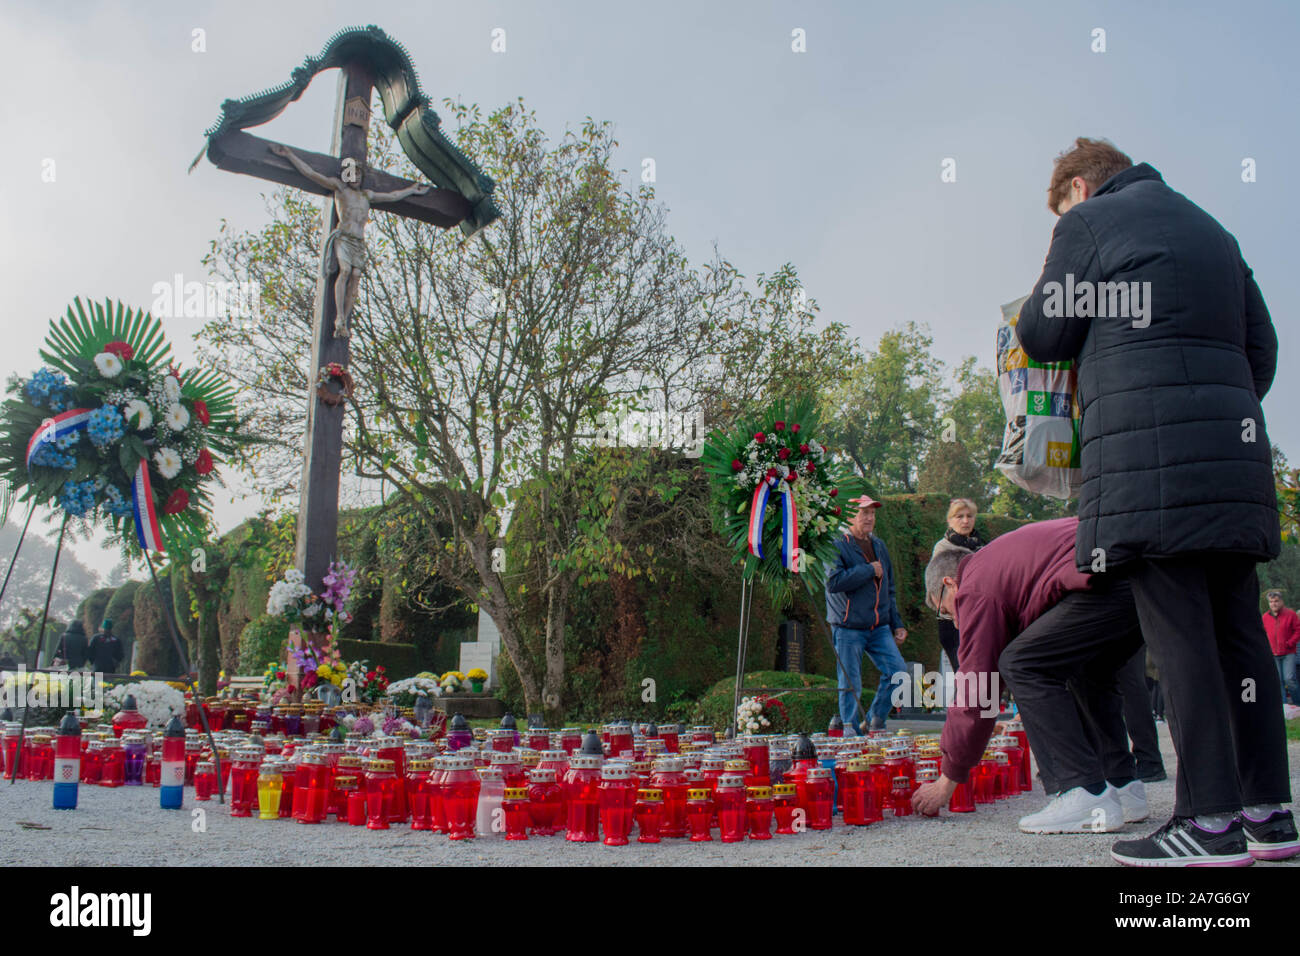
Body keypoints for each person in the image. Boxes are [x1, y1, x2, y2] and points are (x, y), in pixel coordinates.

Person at [1015, 137, 1295, 865]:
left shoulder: (1088, 224)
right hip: (1232, 463)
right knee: (1240, 636)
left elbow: (1042, 334)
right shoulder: (1214, 230)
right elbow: (1262, 350)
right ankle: (1269, 814)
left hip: (1149, 466)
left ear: (1078, 187)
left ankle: (1207, 822)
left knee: (1180, 641)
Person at [912, 517, 1148, 833]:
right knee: (1089, 671)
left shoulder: (975, 585)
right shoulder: (999, 559)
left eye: (945, 610)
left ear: (949, 584)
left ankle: (1083, 791)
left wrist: (948, 778)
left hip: (1102, 577)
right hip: (1135, 571)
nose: (954, 622)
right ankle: (1122, 786)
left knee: (1021, 664)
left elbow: (979, 685)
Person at [823, 495, 907, 733]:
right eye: (864, 513)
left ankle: (873, 719)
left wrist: (896, 624)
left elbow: (889, 589)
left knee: (899, 673)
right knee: (851, 683)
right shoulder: (835, 544)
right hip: (847, 627)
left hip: (878, 627)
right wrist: (868, 570)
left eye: (872, 513)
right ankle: (849, 731)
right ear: (850, 516)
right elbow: (833, 582)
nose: (869, 518)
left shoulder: (879, 545)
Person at [931, 498, 985, 673]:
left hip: (977, 616)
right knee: (963, 670)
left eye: (969, 516)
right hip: (951, 619)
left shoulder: (982, 546)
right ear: (949, 520)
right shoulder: (942, 547)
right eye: (959, 516)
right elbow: (937, 584)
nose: (965, 520)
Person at [1262, 589, 1300, 705]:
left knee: (1289, 679)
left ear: (1281, 601)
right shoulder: (1265, 617)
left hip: (1288, 653)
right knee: (1278, 681)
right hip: (1273, 653)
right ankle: (1283, 706)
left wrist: (1290, 643)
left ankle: (1297, 703)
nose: (1274, 604)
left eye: (1276, 601)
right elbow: (1262, 633)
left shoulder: (1290, 614)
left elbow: (1298, 630)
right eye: (1271, 602)